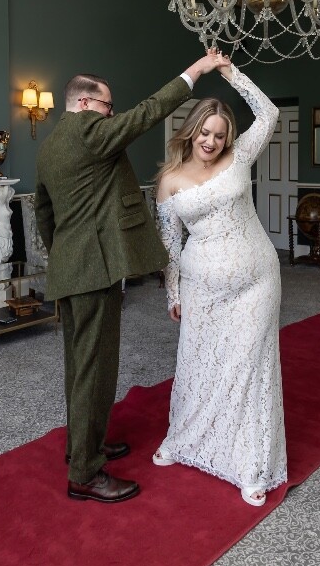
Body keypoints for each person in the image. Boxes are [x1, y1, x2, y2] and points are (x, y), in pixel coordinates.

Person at [34, 49, 230, 503]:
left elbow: (45, 215)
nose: (112, 113)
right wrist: (196, 71)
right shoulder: (89, 133)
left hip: (75, 267)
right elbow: (146, 114)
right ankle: (84, 474)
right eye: (107, 106)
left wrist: (67, 254)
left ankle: (83, 447)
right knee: (94, 371)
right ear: (84, 104)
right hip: (94, 268)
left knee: (82, 369)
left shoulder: (48, 147)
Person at [153, 61, 287, 506]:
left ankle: (249, 466)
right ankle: (185, 440)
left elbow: (269, 114)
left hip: (257, 280)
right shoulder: (169, 181)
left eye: (219, 134)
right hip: (202, 287)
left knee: (248, 368)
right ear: (191, 132)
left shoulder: (239, 156)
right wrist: (173, 293)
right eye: (204, 133)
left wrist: (230, 75)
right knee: (201, 365)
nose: (211, 142)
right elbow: (170, 246)